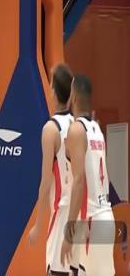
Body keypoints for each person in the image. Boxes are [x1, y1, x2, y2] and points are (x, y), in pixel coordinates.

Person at [60, 75, 115, 275]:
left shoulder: (76, 130)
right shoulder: (97, 130)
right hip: (105, 216)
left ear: (73, 97)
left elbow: (79, 182)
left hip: (91, 221)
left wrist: (69, 231)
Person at [28, 64, 79, 274]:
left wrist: (38, 224)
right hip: (80, 210)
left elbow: (46, 182)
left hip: (62, 211)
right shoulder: (79, 124)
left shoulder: (51, 129)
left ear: (54, 92)